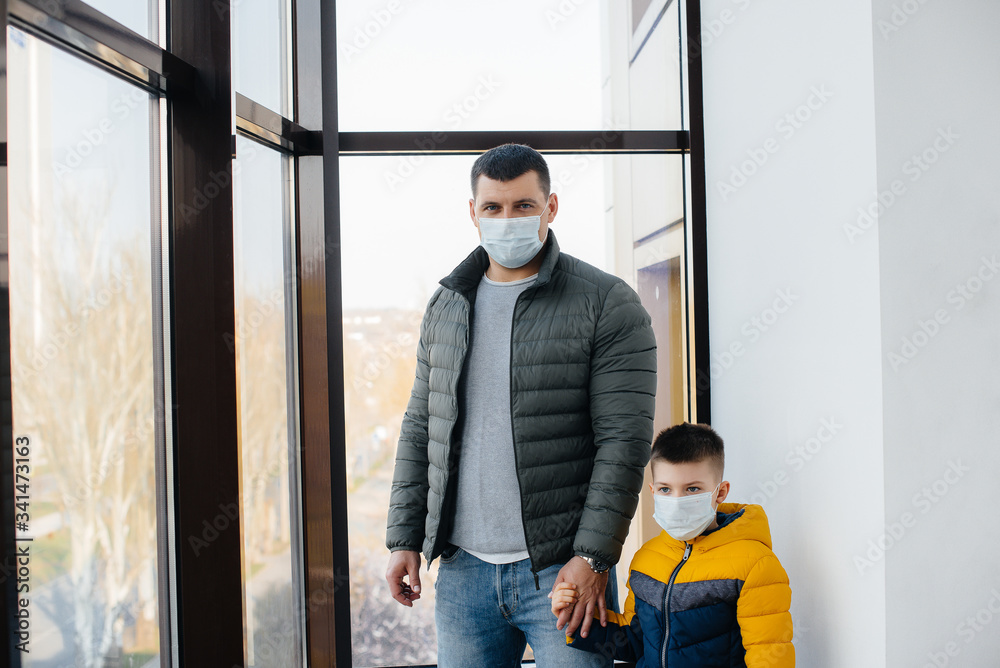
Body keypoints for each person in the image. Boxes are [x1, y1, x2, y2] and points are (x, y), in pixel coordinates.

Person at [384, 143, 657, 667]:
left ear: (550, 207)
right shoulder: (447, 305)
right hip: (463, 573)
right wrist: (404, 538)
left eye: (523, 206)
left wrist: (593, 557)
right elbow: (421, 425)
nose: (507, 219)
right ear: (473, 213)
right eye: (493, 207)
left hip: (564, 575)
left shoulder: (606, 303)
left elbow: (623, 443)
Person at [551, 422, 795, 667]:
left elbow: (769, 655)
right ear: (652, 490)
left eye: (692, 489)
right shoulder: (646, 559)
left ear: (720, 493)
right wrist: (575, 612)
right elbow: (636, 641)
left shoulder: (755, 564)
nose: (677, 500)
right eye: (665, 489)